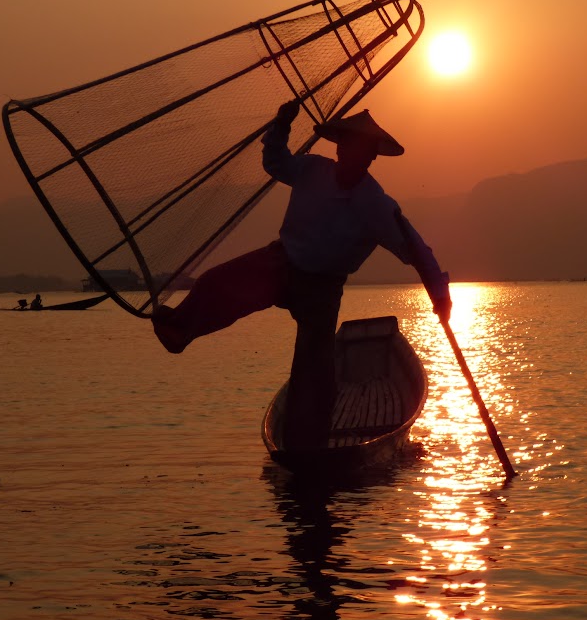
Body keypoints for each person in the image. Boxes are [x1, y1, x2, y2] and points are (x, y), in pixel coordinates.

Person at [152, 100, 451, 448]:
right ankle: (179, 330)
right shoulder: (312, 170)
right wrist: (281, 125)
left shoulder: (377, 205)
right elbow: (276, 162)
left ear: (371, 157)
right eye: (351, 147)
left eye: (365, 152)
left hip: (321, 290)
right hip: (282, 263)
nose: (356, 156)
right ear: (339, 148)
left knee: (314, 370)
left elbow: (417, 251)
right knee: (216, 283)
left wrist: (440, 296)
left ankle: (307, 441)